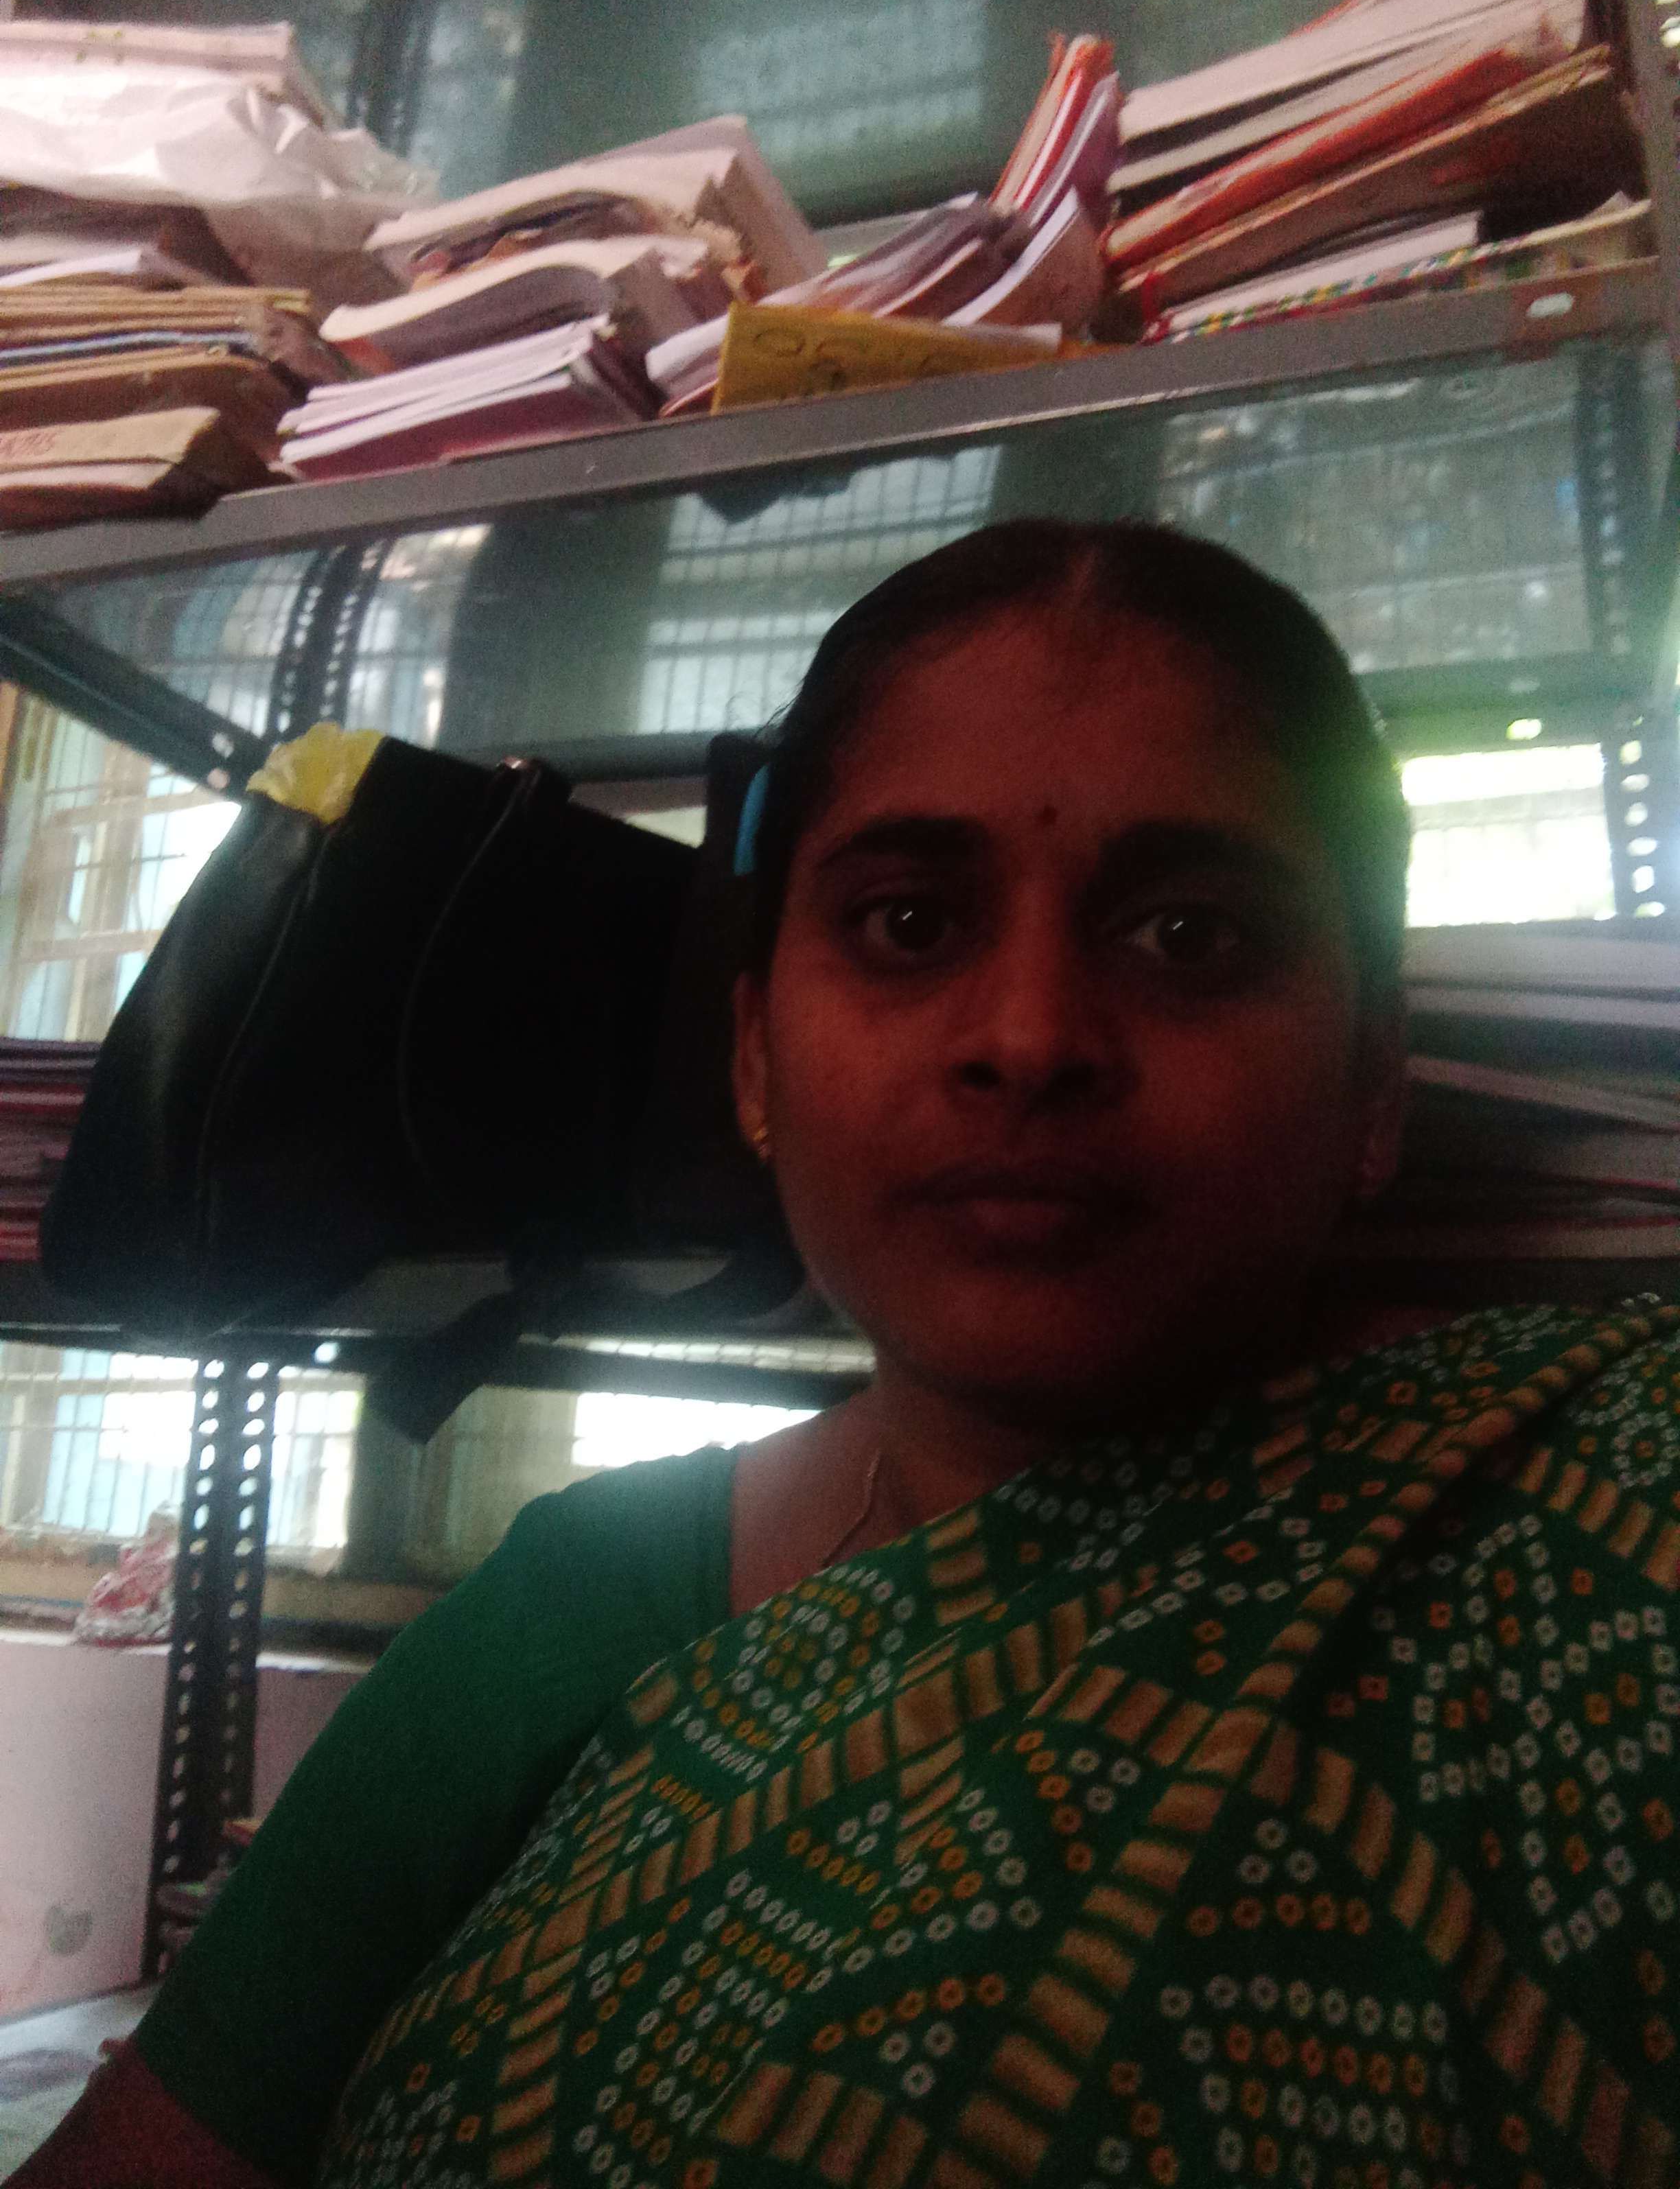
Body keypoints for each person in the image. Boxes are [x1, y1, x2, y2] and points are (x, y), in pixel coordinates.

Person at [18, 519, 1679, 2189]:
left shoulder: (1599, 1530)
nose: (1029, 1037)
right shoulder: (574, 1615)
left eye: (1189, 937)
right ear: (755, 1060)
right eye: (907, 923)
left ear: (1375, 1083)